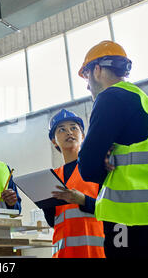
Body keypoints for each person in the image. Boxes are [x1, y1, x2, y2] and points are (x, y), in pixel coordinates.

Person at [77, 40, 148, 258]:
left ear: (97, 70)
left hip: (129, 223)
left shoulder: (110, 98)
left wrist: (101, 161)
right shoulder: (146, 102)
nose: (88, 86)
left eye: (87, 76)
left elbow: (88, 166)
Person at [42, 109, 105, 258]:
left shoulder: (98, 168)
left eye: (73, 128)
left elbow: (113, 210)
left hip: (95, 251)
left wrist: (83, 200)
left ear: (82, 136)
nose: (69, 132)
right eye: (61, 129)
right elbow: (54, 221)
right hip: (64, 253)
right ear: (54, 140)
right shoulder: (52, 177)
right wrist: (45, 204)